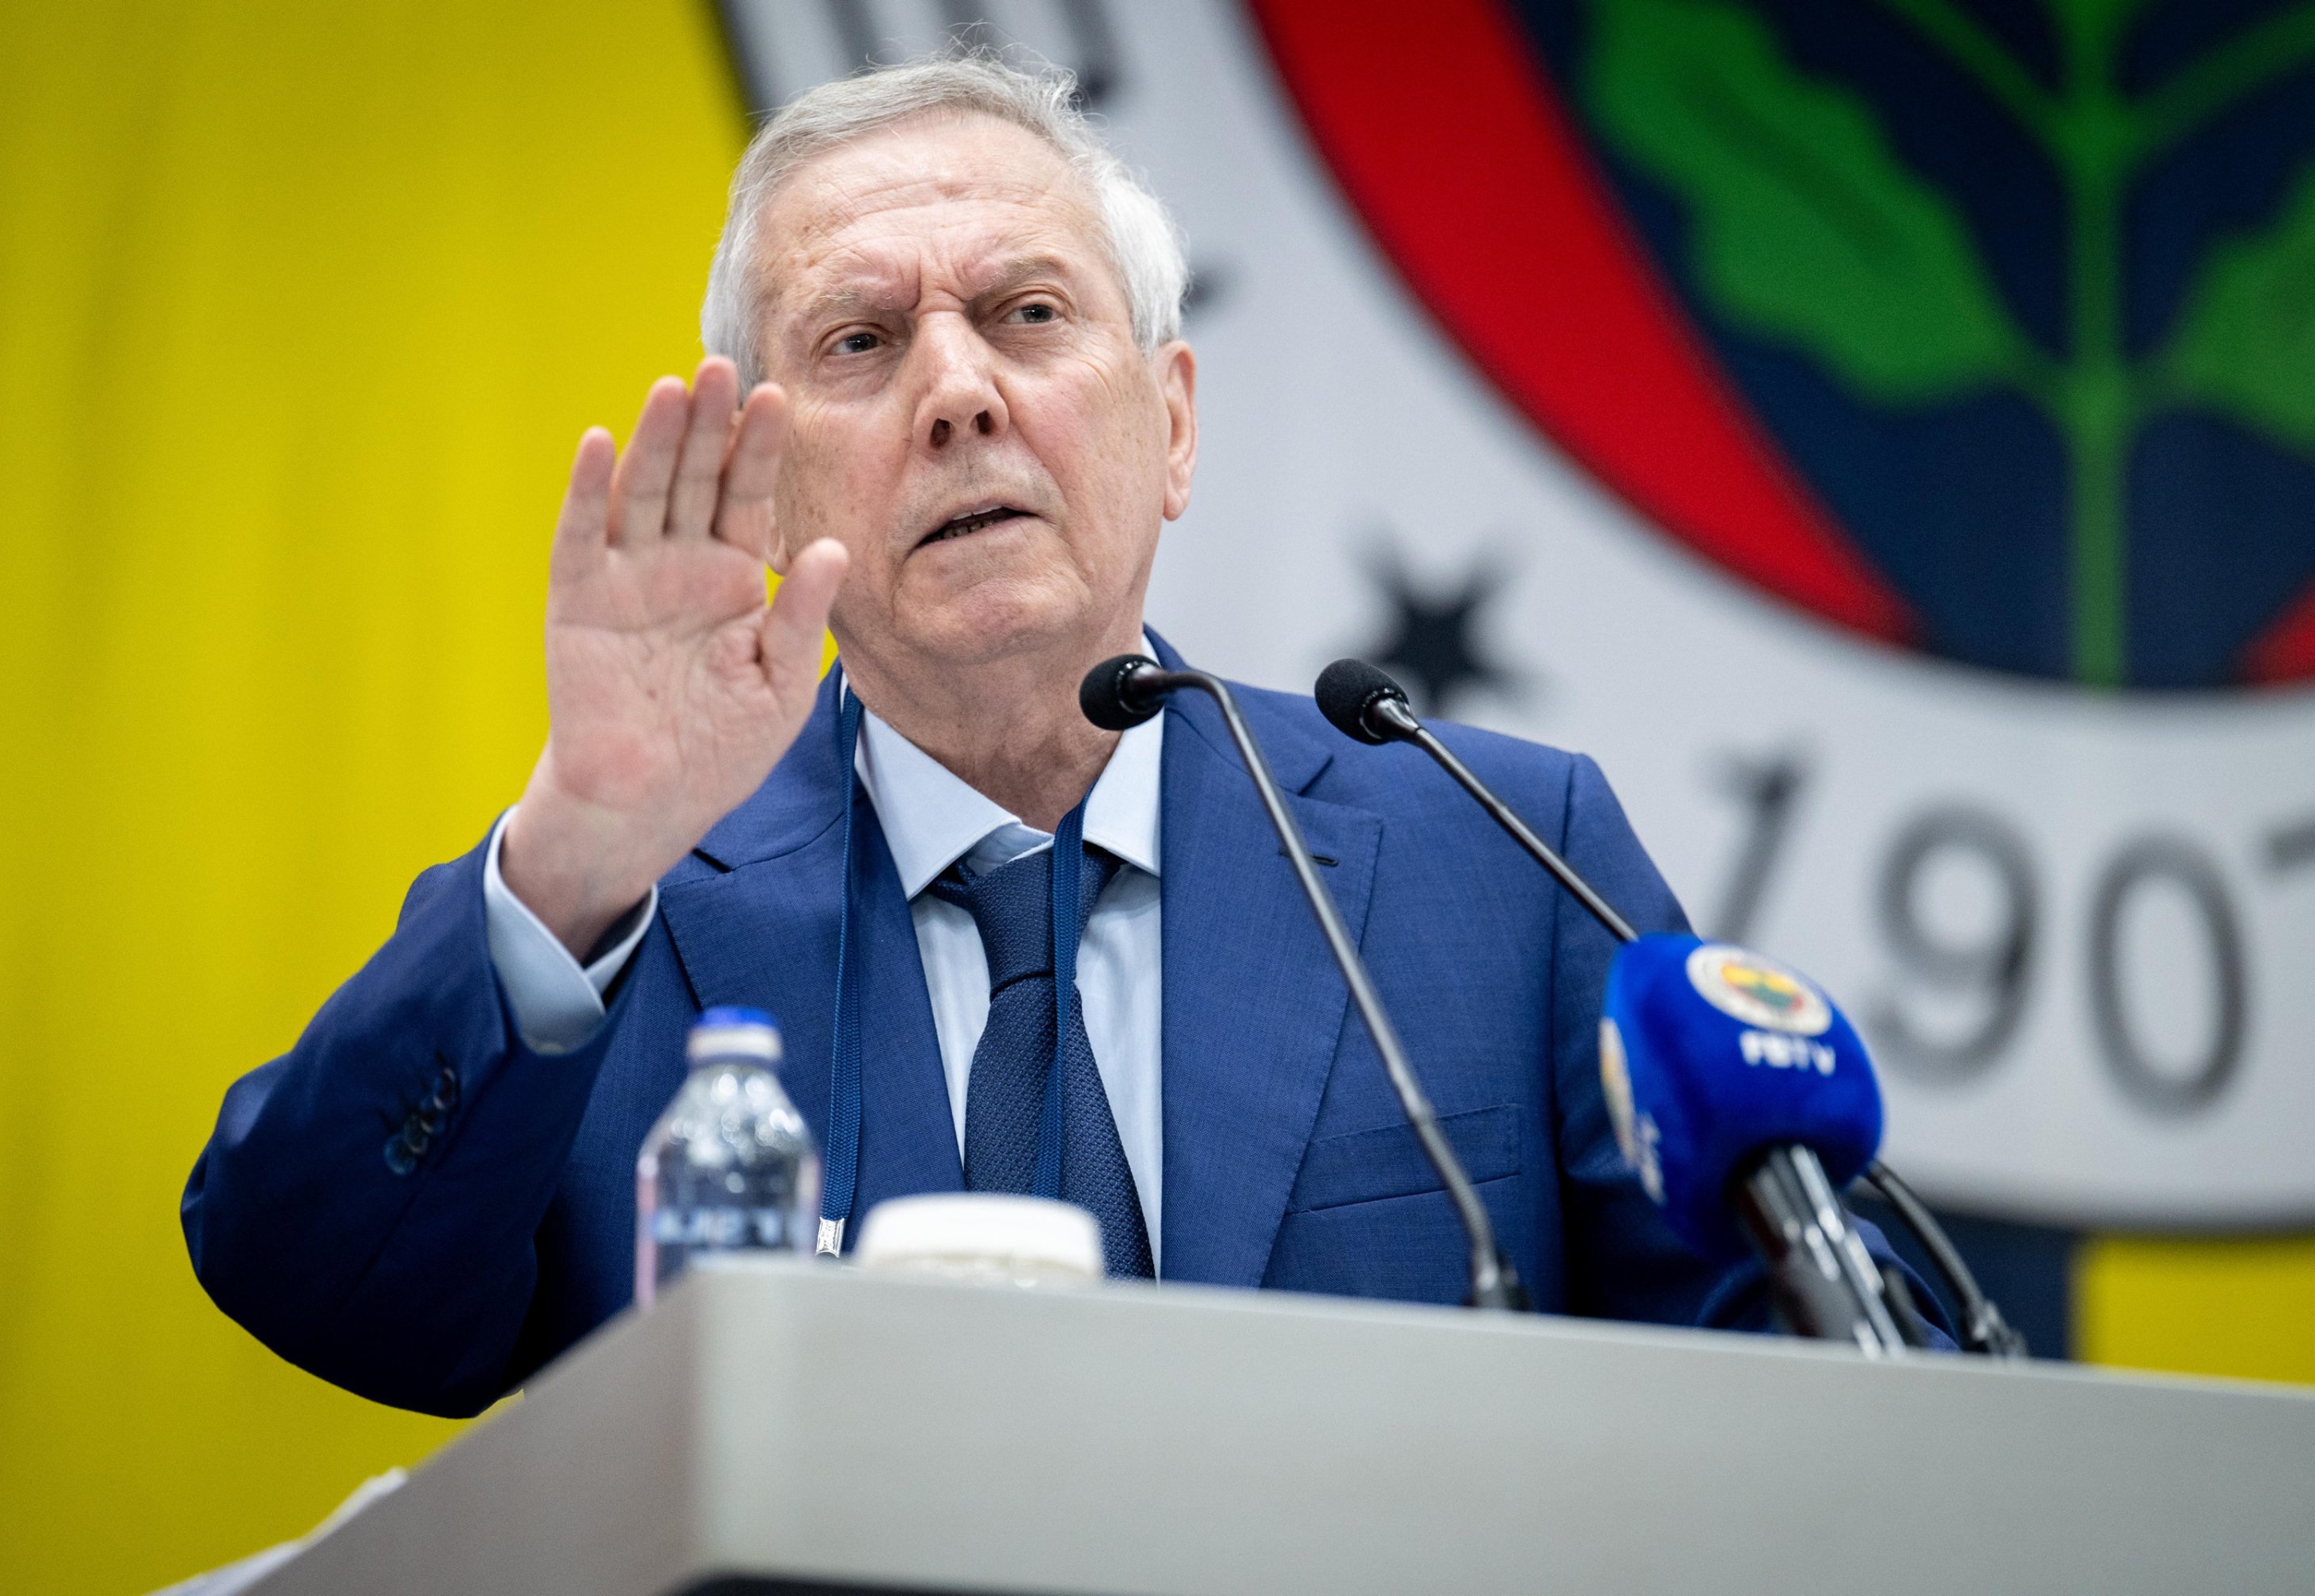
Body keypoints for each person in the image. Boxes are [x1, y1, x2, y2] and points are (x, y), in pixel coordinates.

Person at [183, 53, 1942, 1418]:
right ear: (769, 483)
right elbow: (313, 1282)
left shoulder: (1492, 859)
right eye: (862, 341)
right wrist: (575, 847)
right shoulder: (616, 923)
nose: (959, 392)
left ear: (1170, 426)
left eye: (1028, 314)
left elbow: (1849, 1399)